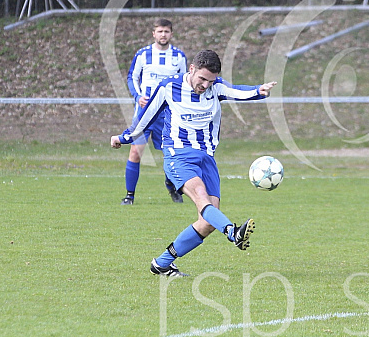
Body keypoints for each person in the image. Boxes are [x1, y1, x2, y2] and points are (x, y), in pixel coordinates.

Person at [111, 49, 277, 277]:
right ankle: (233, 232)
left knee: (208, 221)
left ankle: (162, 263)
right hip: (178, 156)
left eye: (210, 80)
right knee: (201, 198)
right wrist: (123, 137)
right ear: (191, 69)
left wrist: (258, 91)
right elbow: (145, 118)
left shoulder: (215, 87)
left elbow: (237, 91)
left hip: (206, 159)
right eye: (202, 79)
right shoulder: (169, 87)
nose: (206, 85)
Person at [121, 18, 188, 205]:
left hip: (167, 115)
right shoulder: (143, 54)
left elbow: (184, 83)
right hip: (144, 112)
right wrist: (137, 96)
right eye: (160, 31)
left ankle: (171, 186)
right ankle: (129, 196)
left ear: (171, 34)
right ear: (154, 33)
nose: (163, 35)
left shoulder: (179, 57)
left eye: (166, 31)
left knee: (170, 153)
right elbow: (132, 77)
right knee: (135, 152)